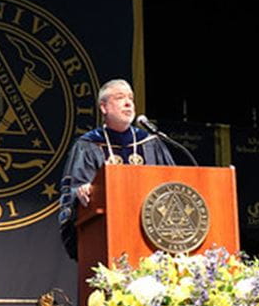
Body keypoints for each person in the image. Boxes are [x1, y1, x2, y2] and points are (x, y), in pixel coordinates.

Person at [58, 79, 175, 258]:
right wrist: (83, 191)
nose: (128, 103)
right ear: (103, 107)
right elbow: (73, 190)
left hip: (153, 235)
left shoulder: (150, 142)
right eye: (120, 98)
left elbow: (172, 183)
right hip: (107, 235)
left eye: (131, 98)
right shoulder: (88, 145)